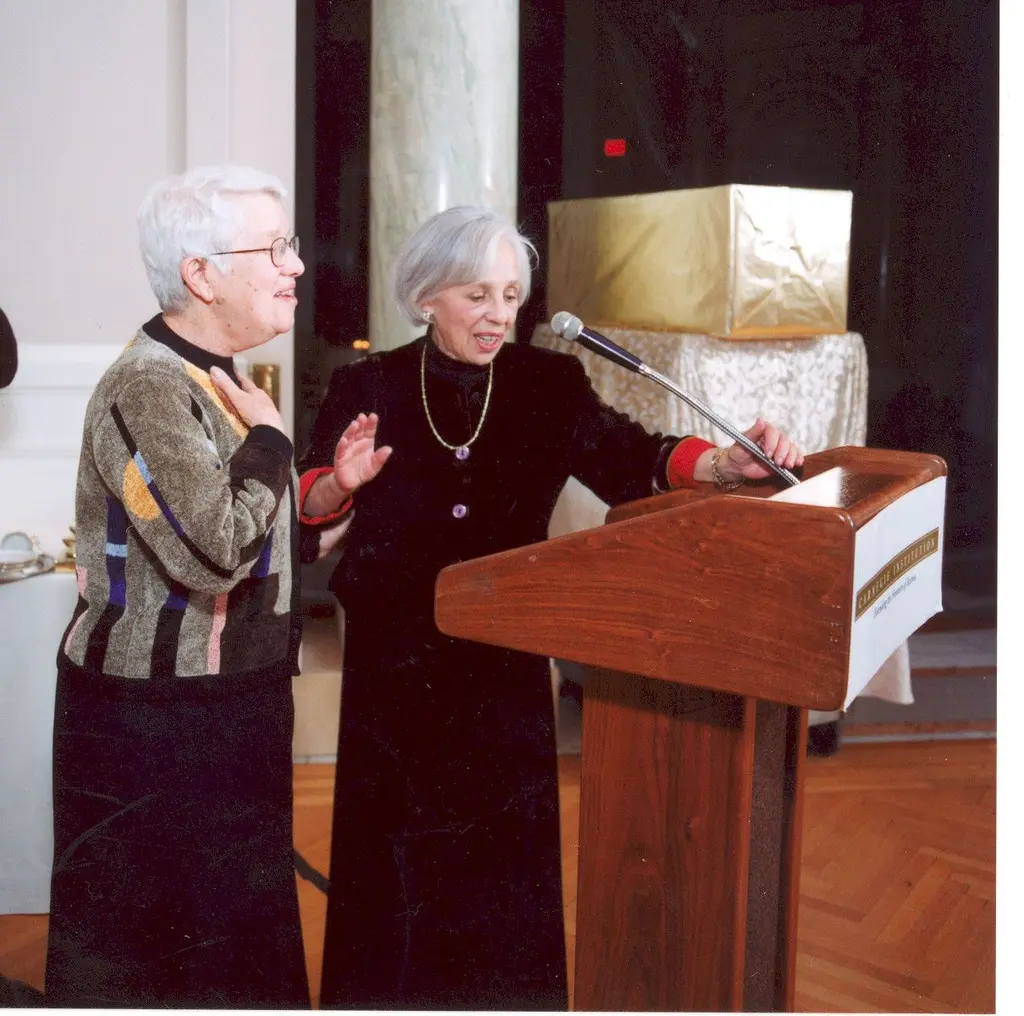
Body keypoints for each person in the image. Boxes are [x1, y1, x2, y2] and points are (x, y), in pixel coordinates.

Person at [298, 206, 804, 1010]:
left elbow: (630, 455)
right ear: (428, 296)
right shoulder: (369, 385)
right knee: (394, 864)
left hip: (503, 659)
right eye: (476, 295)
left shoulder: (547, 382)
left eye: (511, 294)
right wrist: (337, 485)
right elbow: (308, 509)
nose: (499, 313)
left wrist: (723, 464)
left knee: (499, 869)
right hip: (398, 668)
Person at [45, 165, 317, 1008]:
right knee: (152, 969)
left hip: (229, 704)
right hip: (154, 726)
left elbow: (251, 538)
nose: (296, 266)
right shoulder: (149, 385)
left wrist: (324, 494)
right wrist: (273, 445)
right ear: (200, 274)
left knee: (233, 961)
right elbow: (213, 553)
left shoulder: (221, 377)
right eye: (273, 247)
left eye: (291, 243)